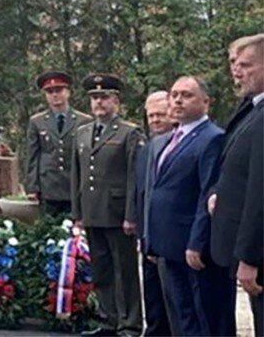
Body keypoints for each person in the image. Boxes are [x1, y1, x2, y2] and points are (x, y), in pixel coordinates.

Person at [146, 77, 230, 336]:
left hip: (193, 250)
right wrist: (152, 241)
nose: (178, 100)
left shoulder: (212, 138)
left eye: (187, 95)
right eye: (174, 94)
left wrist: (197, 242)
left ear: (206, 102)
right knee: (181, 316)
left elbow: (207, 193)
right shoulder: (174, 139)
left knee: (203, 318)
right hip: (169, 246)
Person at [71, 74, 144, 337]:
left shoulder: (129, 132)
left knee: (124, 271)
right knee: (101, 269)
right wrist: (77, 214)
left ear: (116, 100)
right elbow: (76, 175)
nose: (98, 102)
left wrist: (130, 215)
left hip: (117, 213)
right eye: (94, 98)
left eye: (104, 97)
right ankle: (108, 320)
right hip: (92, 212)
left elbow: (133, 177)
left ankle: (130, 324)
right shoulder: (82, 133)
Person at [209, 34, 264, 336]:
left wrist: (249, 258)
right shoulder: (251, 109)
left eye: (246, 65)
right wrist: (219, 192)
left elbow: (260, 193)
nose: (237, 72)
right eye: (234, 64)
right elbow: (235, 168)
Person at [133, 91, 179, 336]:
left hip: (170, 239)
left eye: (160, 114)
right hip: (148, 235)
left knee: (173, 301)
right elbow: (140, 192)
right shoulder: (146, 147)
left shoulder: (180, 146)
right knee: (152, 299)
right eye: (151, 115)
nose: (155, 120)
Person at [24, 71, 92, 216]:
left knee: (76, 232)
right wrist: (32, 187)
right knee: (48, 232)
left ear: (68, 92)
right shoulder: (37, 121)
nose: (54, 95)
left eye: (59, 90)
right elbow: (33, 156)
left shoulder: (83, 121)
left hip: (74, 185)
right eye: (50, 92)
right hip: (48, 186)